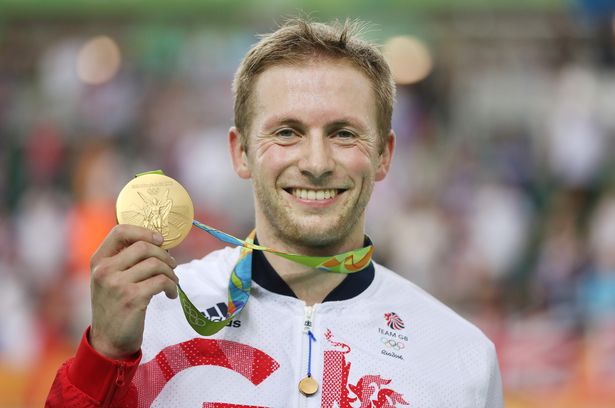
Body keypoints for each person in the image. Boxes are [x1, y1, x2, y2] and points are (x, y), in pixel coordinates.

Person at [46, 18, 503, 407]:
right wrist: (103, 355)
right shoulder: (151, 318)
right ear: (240, 152)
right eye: (287, 132)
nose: (317, 163)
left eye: (344, 134)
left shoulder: (461, 357)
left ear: (384, 155)